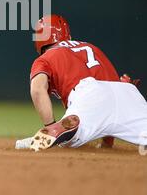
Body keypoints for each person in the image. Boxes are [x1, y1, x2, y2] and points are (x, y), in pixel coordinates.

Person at [27, 15, 147, 151]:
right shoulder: (91, 47)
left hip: (88, 93)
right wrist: (107, 144)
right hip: (125, 91)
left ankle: (58, 131)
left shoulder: (45, 58)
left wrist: (49, 125)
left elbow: (37, 89)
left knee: (68, 143)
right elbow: (109, 103)